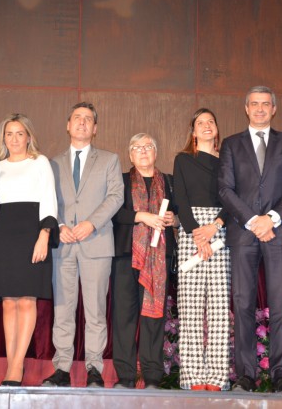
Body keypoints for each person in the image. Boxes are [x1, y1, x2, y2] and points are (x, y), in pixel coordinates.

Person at [218, 85, 282, 393]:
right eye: (254, 103)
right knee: (242, 304)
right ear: (246, 108)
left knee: (280, 305)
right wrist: (255, 221)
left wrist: (272, 219)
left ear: (273, 109)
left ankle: (281, 375)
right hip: (243, 233)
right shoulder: (230, 144)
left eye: (265, 104)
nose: (259, 108)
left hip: (278, 233)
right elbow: (225, 190)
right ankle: (245, 375)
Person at [43, 102, 124, 388]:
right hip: (63, 245)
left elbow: (116, 196)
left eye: (88, 119)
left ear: (95, 128)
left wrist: (91, 223)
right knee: (63, 310)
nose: (82, 123)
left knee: (95, 311)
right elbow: (47, 200)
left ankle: (94, 368)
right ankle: (62, 368)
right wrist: (61, 225)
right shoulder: (51, 163)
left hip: (96, 242)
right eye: (77, 118)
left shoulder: (110, 160)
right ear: (68, 125)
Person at [0, 113, 58, 386]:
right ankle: (11, 364)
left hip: (33, 231)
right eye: (9, 134)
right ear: (3, 138)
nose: (15, 139)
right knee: (8, 301)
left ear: (28, 136)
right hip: (5, 232)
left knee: (27, 300)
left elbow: (49, 199)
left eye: (20, 133)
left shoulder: (40, 162)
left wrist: (44, 235)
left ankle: (17, 366)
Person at [111, 133, 177, 390]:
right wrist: (142, 216)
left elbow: (180, 212)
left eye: (148, 146)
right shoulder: (121, 180)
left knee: (154, 318)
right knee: (124, 317)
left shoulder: (168, 182)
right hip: (128, 255)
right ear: (130, 155)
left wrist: (173, 219)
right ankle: (125, 377)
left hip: (160, 258)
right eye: (137, 147)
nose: (143, 151)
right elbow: (114, 212)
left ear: (156, 152)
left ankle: (152, 377)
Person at [173, 109, 231, 391]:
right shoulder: (184, 159)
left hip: (220, 231)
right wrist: (198, 235)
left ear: (216, 129)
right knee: (191, 309)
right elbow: (180, 199)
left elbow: (236, 199)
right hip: (190, 231)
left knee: (219, 309)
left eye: (211, 121)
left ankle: (218, 377)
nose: (206, 126)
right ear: (193, 132)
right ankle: (193, 377)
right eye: (200, 123)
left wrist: (215, 227)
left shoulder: (229, 161)